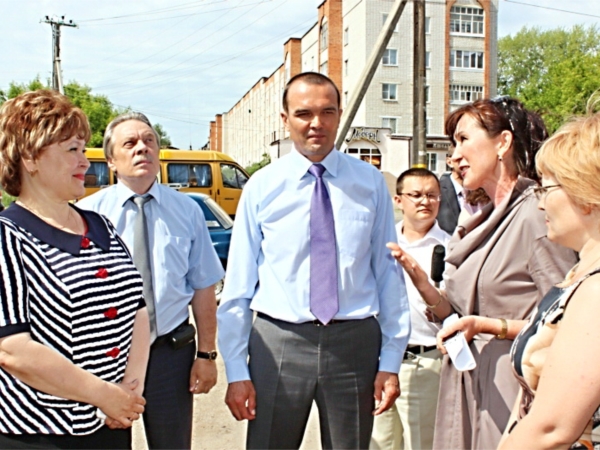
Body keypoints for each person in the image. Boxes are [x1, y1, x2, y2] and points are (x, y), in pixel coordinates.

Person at [218, 72, 410, 449]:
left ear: (340, 116)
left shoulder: (369, 183)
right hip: (279, 341)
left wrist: (390, 359)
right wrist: (237, 370)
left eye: (327, 112)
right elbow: (238, 286)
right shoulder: (262, 187)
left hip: (354, 343)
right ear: (285, 119)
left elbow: (388, 275)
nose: (316, 123)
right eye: (304, 113)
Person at [388, 97, 576, 449]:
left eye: (463, 140)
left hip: (511, 391)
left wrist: (490, 326)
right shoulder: (478, 218)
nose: (454, 156)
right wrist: (426, 288)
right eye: (452, 144)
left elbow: (565, 322)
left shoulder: (536, 214)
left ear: (502, 143)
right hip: (470, 379)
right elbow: (463, 314)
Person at [0, 90, 149, 449]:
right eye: (72, 150)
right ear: (30, 158)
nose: (85, 161)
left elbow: (137, 310)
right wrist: (104, 396)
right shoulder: (8, 236)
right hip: (39, 436)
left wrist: (128, 392)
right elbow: (13, 350)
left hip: (111, 426)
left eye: (84, 149)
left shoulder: (102, 226)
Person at [78, 112, 224, 450]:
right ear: (112, 160)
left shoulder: (187, 211)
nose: (142, 148)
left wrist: (206, 354)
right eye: (129, 143)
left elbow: (203, 288)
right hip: (107, 355)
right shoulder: (88, 216)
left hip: (169, 354)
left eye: (149, 141)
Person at [370, 168, 450, 450]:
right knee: (379, 443)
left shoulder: (451, 248)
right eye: (415, 195)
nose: (424, 202)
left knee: (422, 444)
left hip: (425, 363)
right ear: (398, 200)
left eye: (432, 196)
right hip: (377, 363)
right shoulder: (379, 244)